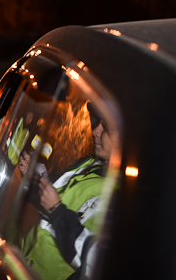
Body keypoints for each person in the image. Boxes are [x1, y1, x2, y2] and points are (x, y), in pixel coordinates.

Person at [19, 102, 111, 280]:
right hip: (21, 265)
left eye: (105, 127)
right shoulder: (90, 163)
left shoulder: (122, 197)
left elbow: (96, 259)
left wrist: (57, 211)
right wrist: (39, 178)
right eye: (97, 123)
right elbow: (57, 200)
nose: (95, 131)